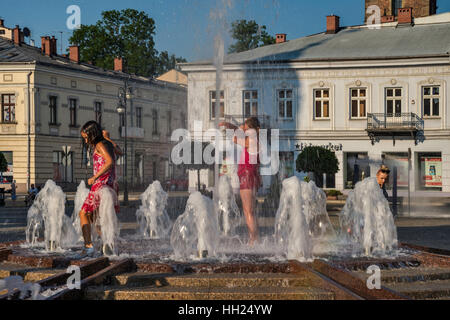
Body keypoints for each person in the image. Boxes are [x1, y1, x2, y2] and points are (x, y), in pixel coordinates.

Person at [78, 121, 119, 257]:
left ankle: (88, 246)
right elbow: (120, 151)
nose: (85, 140)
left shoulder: (100, 145)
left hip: (100, 185)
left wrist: (95, 177)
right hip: (110, 185)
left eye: (86, 137)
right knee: (96, 217)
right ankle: (107, 242)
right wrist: (108, 138)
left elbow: (109, 162)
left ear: (92, 134)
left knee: (83, 213)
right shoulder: (108, 144)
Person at [219, 117, 262, 245]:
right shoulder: (254, 140)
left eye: (247, 128)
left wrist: (233, 127)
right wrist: (232, 126)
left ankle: (253, 240)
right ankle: (254, 238)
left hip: (247, 176)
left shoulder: (251, 141)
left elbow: (235, 138)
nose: (244, 129)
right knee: (250, 211)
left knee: (248, 211)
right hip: (251, 176)